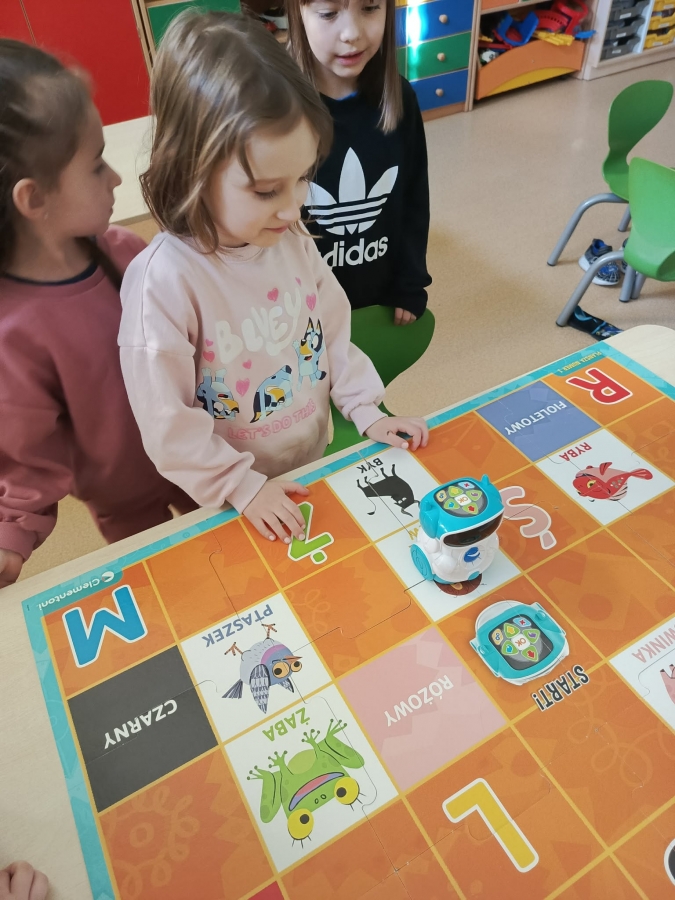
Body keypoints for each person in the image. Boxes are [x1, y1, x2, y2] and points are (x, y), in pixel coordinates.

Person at [119, 11, 428, 546]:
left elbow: (331, 333)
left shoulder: (290, 238)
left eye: (303, 177)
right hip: (227, 496)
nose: (293, 208)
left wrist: (364, 408)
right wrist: (239, 486)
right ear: (191, 169)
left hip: (307, 458)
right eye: (266, 191)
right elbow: (167, 421)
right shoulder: (163, 282)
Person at [0, 40, 196, 590]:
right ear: (33, 199)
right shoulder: (13, 335)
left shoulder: (126, 251)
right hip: (124, 503)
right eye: (95, 165)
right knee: (176, 589)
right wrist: (11, 538)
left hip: (198, 454)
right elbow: (26, 457)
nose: (115, 179)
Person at [287, 0, 431, 326]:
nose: (351, 33)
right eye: (328, 13)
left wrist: (410, 282)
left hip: (377, 303)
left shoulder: (401, 99)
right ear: (298, 13)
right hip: (302, 315)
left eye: (369, 7)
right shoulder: (275, 110)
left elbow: (414, 199)